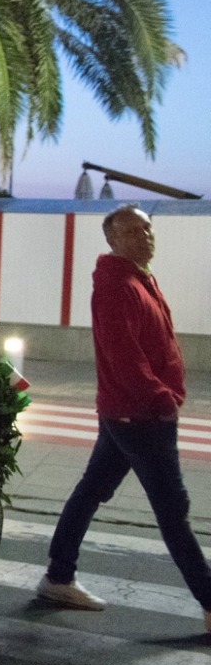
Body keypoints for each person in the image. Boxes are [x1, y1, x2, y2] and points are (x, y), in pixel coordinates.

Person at [37, 206, 211, 632]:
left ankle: (58, 576)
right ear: (112, 240)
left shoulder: (139, 278)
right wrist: (161, 399)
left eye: (147, 228)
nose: (144, 235)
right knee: (174, 510)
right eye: (131, 230)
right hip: (140, 416)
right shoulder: (116, 285)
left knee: (92, 489)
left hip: (128, 413)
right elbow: (125, 356)